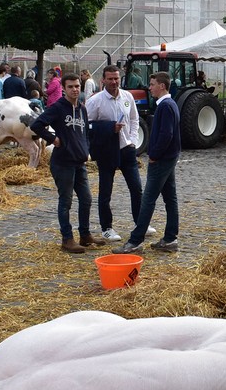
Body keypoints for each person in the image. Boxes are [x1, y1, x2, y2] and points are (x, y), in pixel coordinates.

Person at [30, 73, 104, 254]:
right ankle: (67, 239)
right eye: (70, 86)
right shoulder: (58, 108)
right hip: (63, 162)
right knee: (66, 201)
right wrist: (53, 138)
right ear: (63, 88)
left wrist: (86, 148)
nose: (75, 89)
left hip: (79, 162)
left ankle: (85, 235)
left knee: (86, 198)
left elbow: (85, 132)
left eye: (77, 86)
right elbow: (36, 125)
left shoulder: (82, 109)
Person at [113, 72, 181, 254]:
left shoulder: (165, 106)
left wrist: (154, 154)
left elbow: (167, 134)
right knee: (170, 198)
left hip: (162, 159)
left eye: (152, 84)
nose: (149, 87)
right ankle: (170, 238)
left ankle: (136, 241)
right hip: (169, 157)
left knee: (148, 200)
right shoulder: (169, 104)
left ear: (162, 86)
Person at [85, 65, 146, 243]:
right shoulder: (95, 101)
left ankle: (140, 223)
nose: (114, 82)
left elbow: (134, 119)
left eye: (116, 78)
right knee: (105, 191)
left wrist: (133, 140)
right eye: (110, 79)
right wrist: (108, 127)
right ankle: (106, 228)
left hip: (127, 149)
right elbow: (87, 125)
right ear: (102, 80)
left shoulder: (127, 97)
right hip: (107, 150)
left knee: (136, 188)